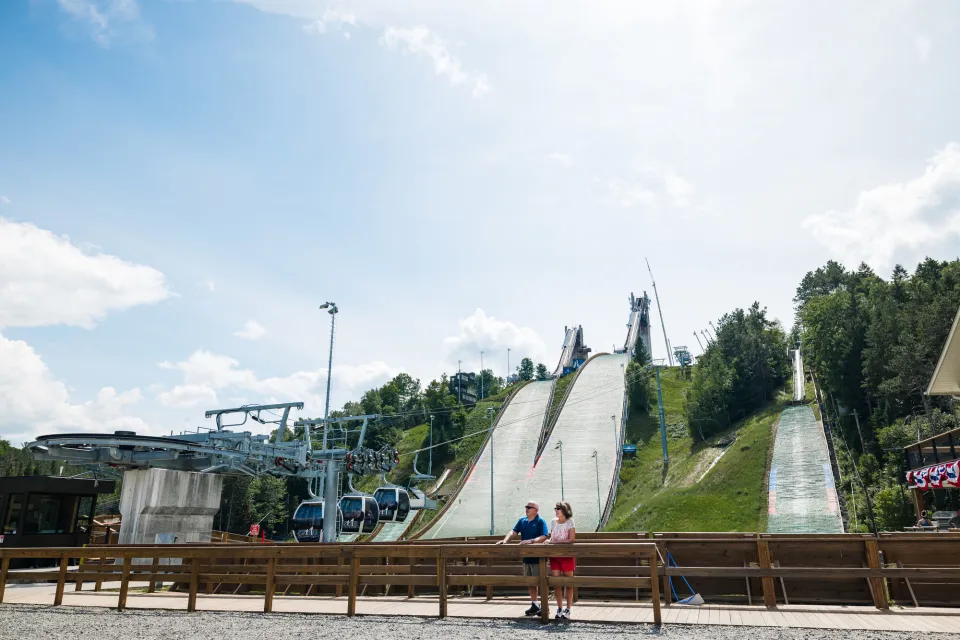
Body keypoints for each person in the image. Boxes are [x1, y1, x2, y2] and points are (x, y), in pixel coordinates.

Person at [496, 500, 548, 616]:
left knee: (540, 581)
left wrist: (531, 541)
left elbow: (544, 536)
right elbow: (513, 532)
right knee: (530, 582)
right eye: (526, 507)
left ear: (536, 510)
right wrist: (505, 541)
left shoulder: (540, 521)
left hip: (537, 557)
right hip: (526, 556)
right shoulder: (522, 521)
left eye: (529, 507)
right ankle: (535, 604)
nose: (527, 508)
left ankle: (544, 606)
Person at [544, 501, 576, 620]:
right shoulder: (553, 522)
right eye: (555, 508)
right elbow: (552, 537)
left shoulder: (570, 522)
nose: (556, 510)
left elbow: (571, 539)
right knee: (557, 583)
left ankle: (568, 608)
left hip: (567, 555)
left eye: (558, 508)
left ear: (564, 510)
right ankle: (559, 608)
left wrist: (555, 542)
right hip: (554, 556)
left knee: (568, 583)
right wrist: (549, 541)